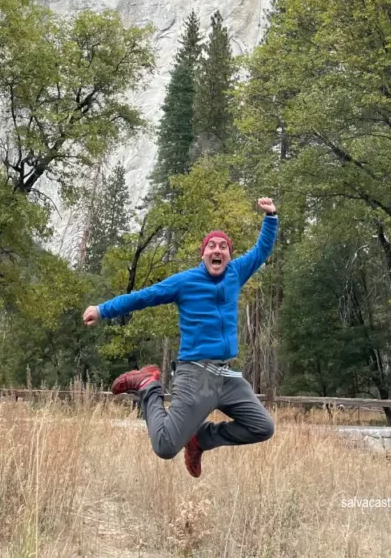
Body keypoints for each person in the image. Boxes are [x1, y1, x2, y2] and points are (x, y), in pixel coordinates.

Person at [83, 197, 278, 477]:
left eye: (223, 247)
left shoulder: (236, 272)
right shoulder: (185, 282)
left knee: (262, 427)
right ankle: (149, 387)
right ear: (203, 254)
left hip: (225, 376)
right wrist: (102, 310)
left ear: (229, 257)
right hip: (195, 374)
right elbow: (144, 297)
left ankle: (201, 439)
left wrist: (270, 217)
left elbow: (262, 250)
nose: (217, 250)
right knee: (164, 446)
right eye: (212, 246)